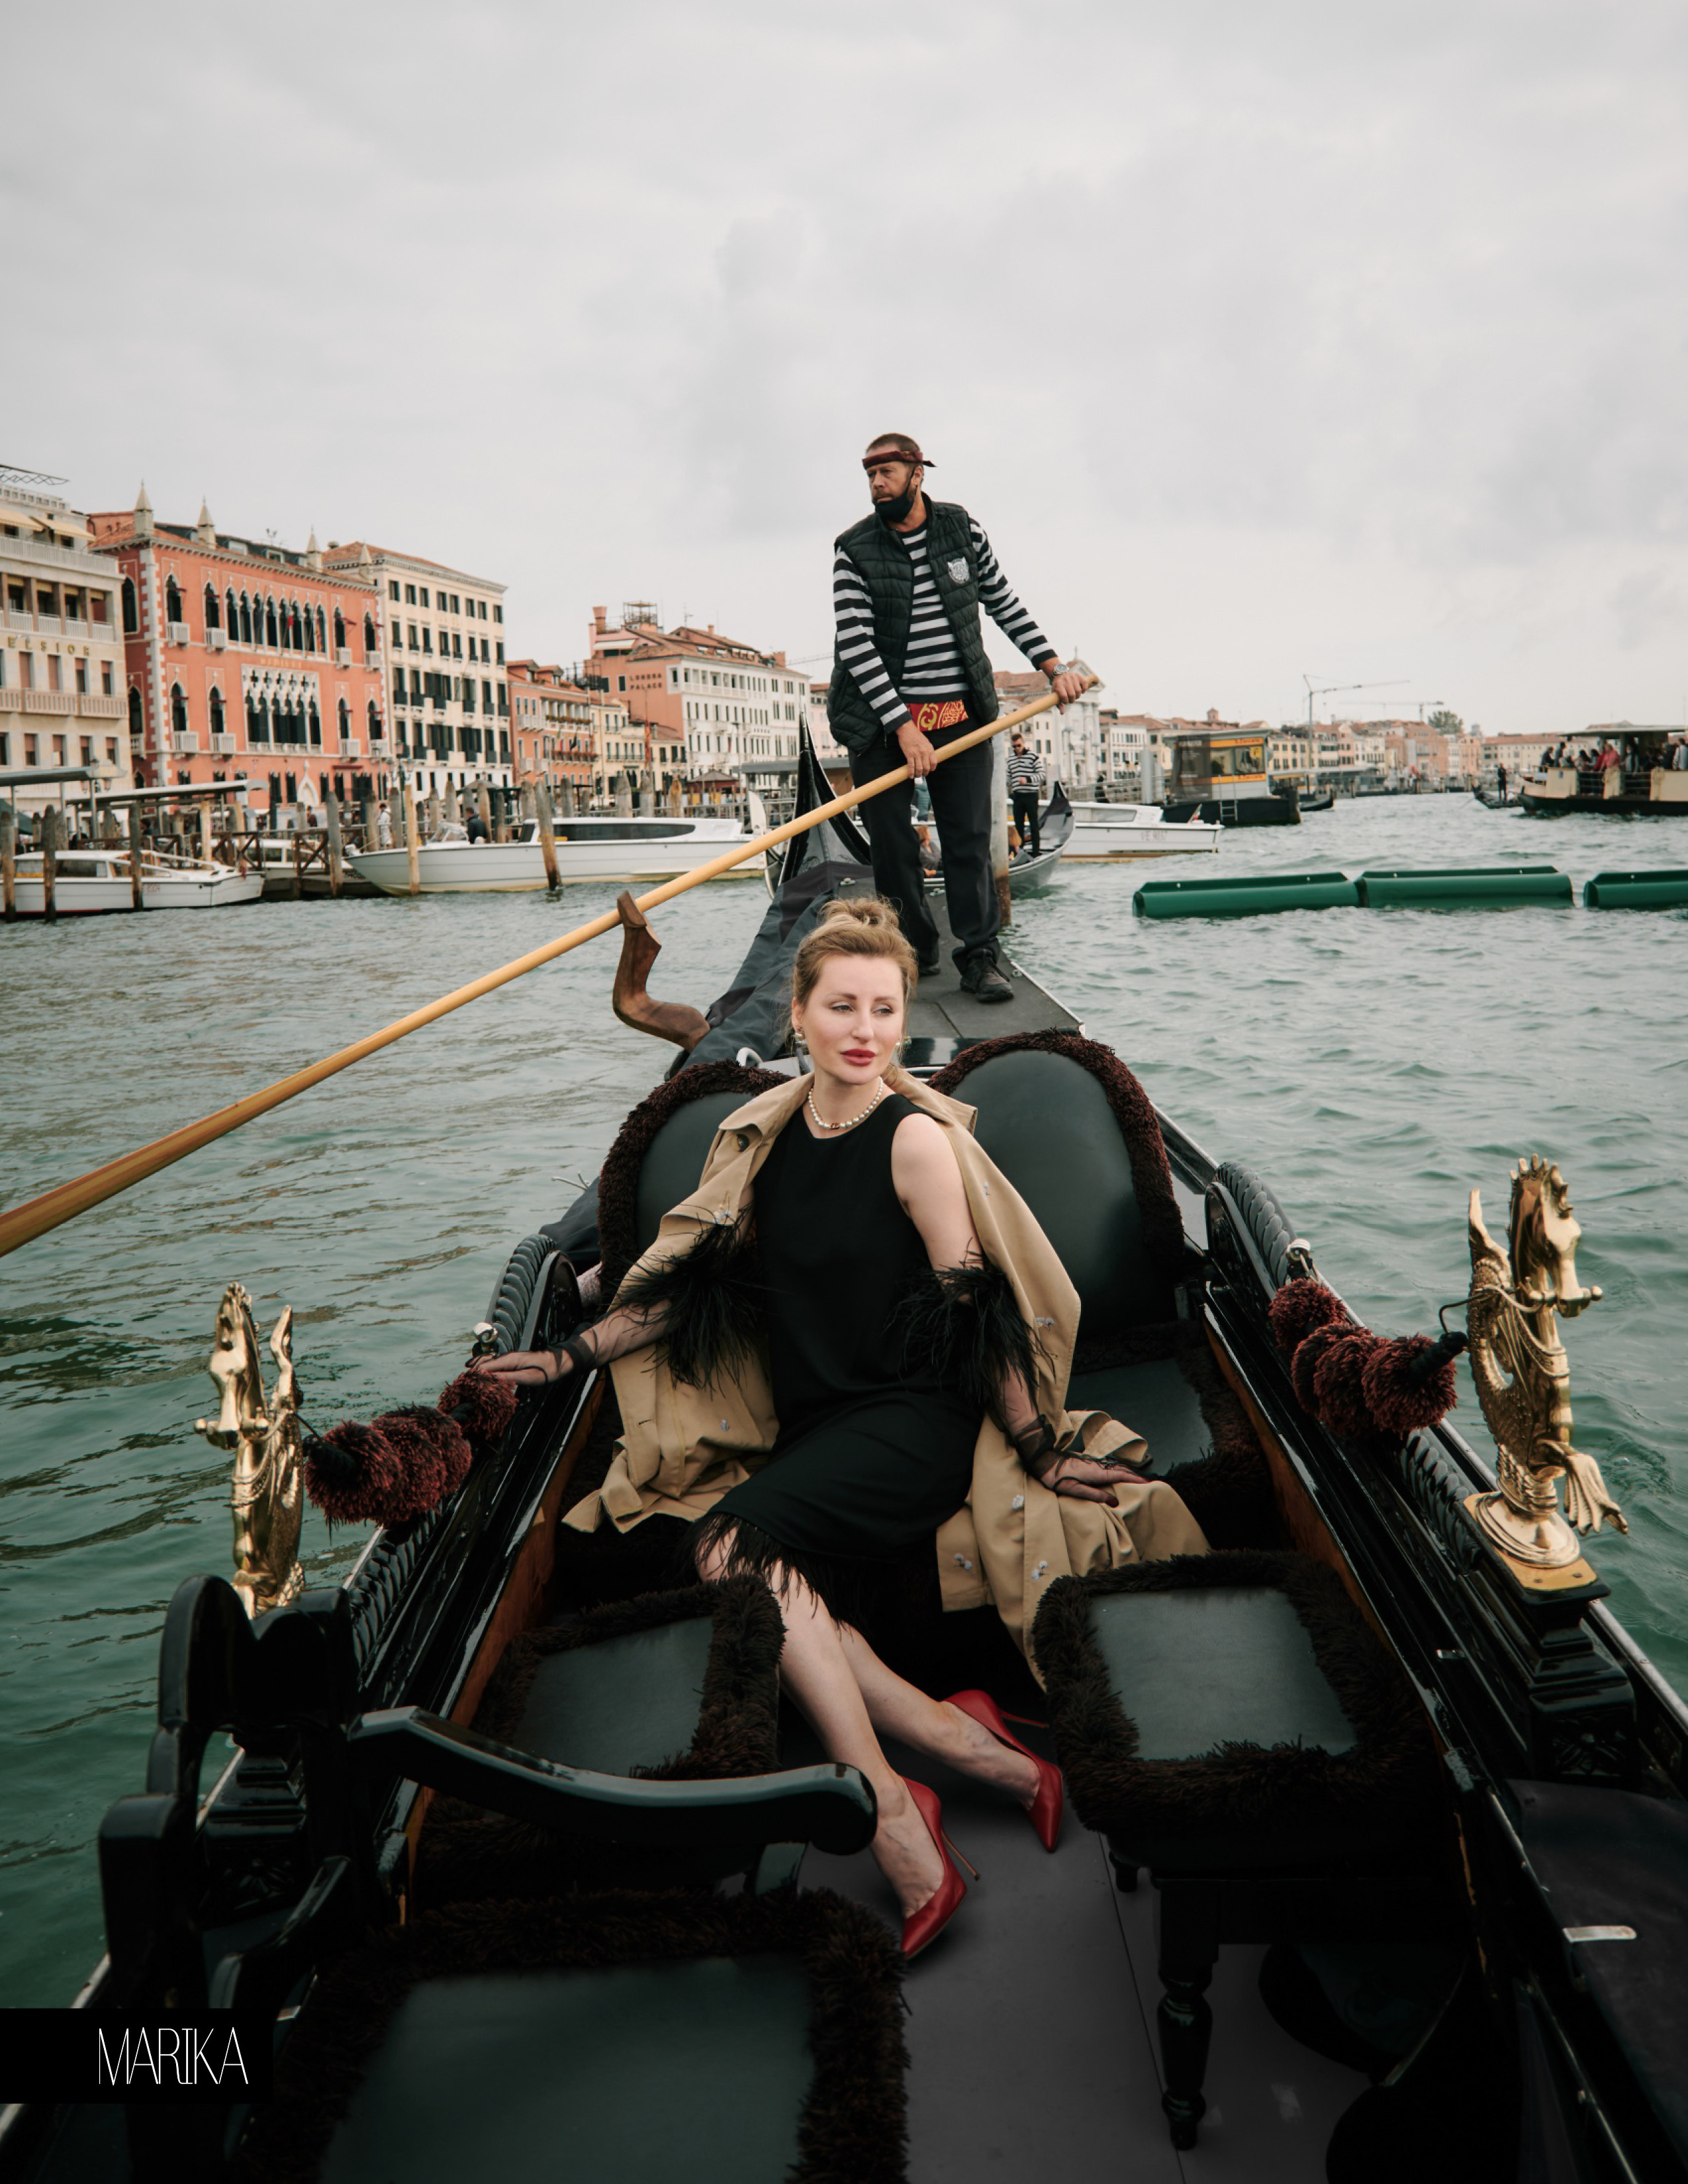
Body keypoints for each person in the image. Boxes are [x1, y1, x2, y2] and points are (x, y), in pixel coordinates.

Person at [483, 899, 1207, 1954]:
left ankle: (892, 1812)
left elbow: (973, 1301)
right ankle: (965, 1738)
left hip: (915, 1419)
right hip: (819, 1423)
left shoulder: (913, 1140)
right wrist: (566, 1355)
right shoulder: (767, 1150)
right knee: (764, 1567)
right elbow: (683, 1295)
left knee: (724, 1543)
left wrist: (1041, 1444)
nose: (864, 1029)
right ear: (799, 1013)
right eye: (841, 1007)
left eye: (883, 1008)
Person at [829, 433, 1086, 1002]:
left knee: (969, 841)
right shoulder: (852, 550)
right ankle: (914, 946)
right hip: (879, 722)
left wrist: (1052, 665)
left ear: (917, 473)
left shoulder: (961, 529)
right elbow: (858, 647)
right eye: (870, 475)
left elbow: (1002, 600)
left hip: (962, 713)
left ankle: (980, 956)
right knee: (893, 846)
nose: (876, 484)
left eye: (887, 473)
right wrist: (903, 727)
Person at [1007, 729, 1047, 855]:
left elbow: (1042, 774)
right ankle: (1020, 853)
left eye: (1019, 745)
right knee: (1019, 826)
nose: (1017, 748)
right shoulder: (1010, 760)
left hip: (1031, 795)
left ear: (1023, 743)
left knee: (1033, 824)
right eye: (1014, 746)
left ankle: (1036, 852)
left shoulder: (1032, 756)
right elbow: (1008, 778)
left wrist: (1028, 779)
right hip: (1018, 796)